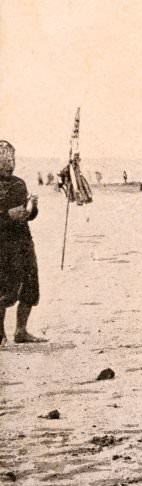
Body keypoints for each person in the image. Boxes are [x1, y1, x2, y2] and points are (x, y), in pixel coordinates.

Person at [0, 140, 43, 346]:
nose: (10, 164)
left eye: (12, 159)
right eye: (5, 160)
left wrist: (32, 207)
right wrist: (6, 215)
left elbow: (28, 215)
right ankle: (0, 334)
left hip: (23, 241)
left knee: (30, 285)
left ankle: (21, 330)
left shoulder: (19, 183)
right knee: (4, 289)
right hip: (2, 244)